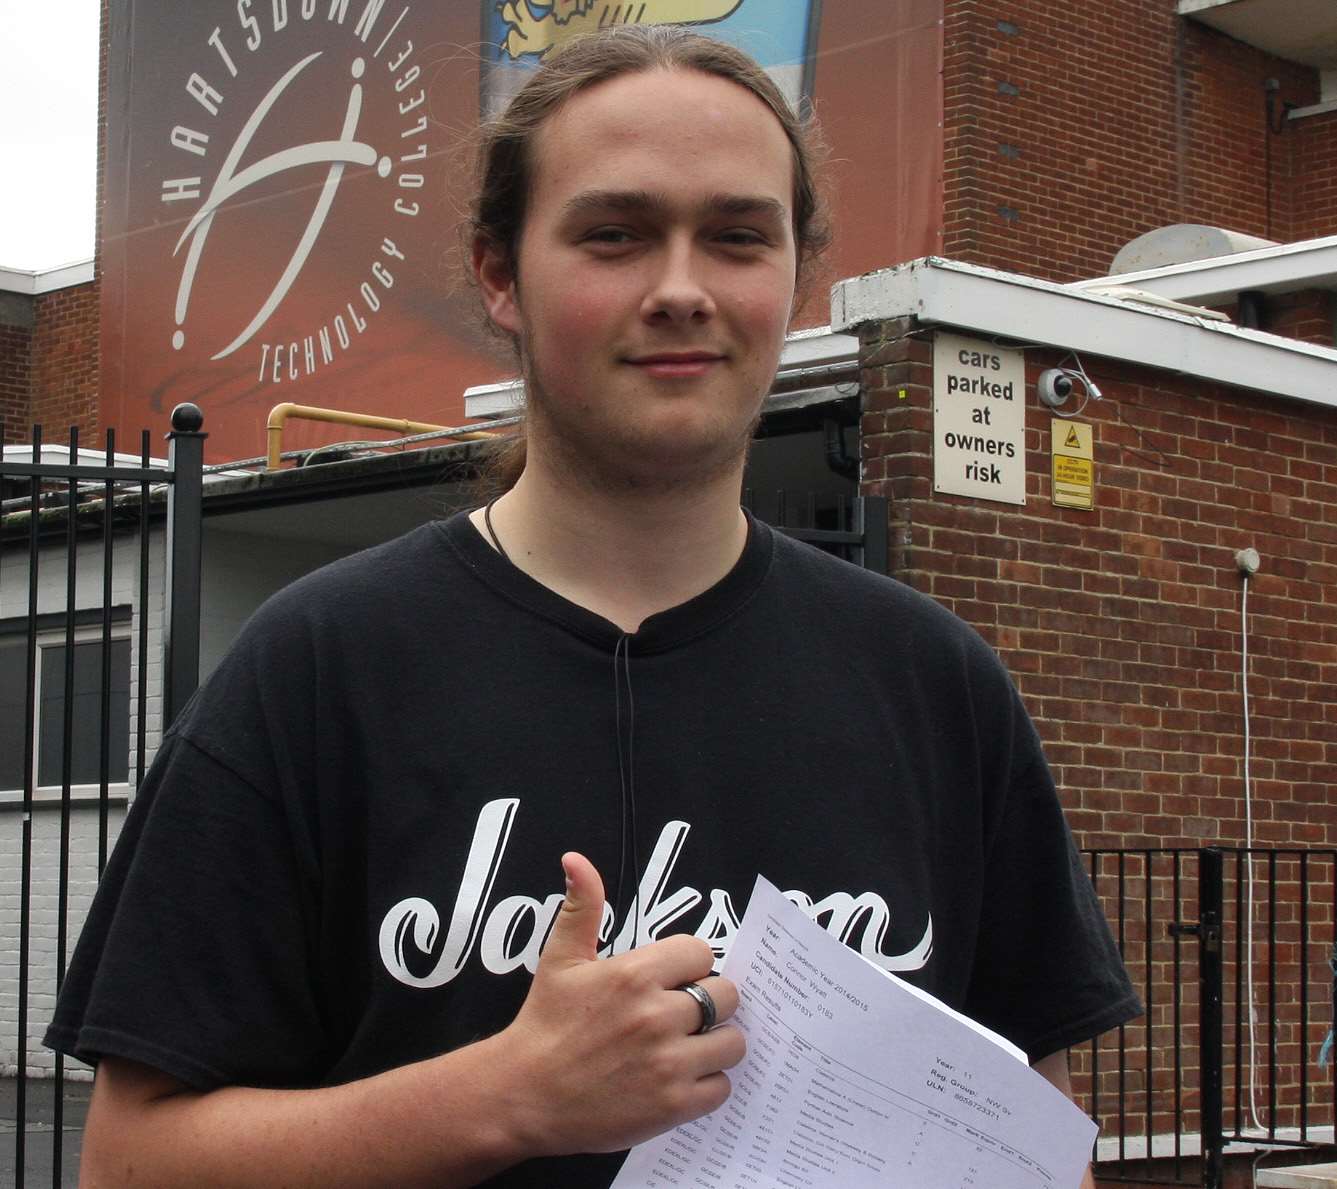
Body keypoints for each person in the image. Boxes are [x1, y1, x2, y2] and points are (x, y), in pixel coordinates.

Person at [49, 25, 1138, 1188]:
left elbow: (1033, 1140)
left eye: (733, 237)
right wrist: (502, 1098)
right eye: (614, 235)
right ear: (498, 274)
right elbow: (131, 1162)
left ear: (792, 275)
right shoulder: (319, 669)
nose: (680, 290)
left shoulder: (931, 682)